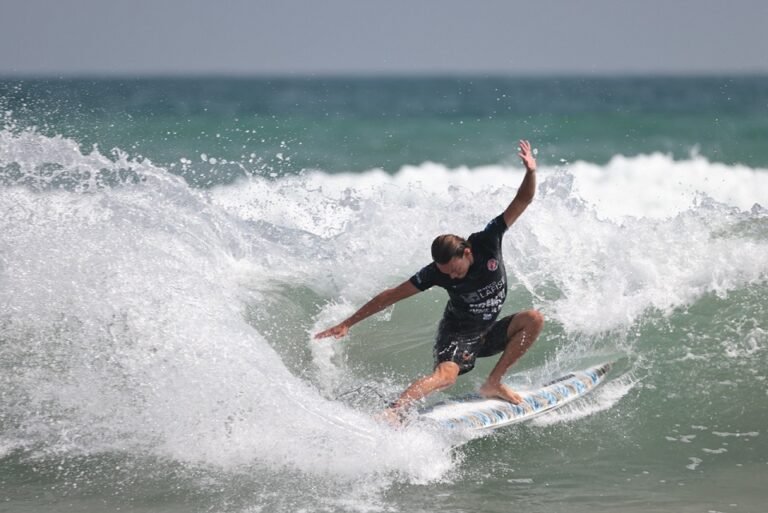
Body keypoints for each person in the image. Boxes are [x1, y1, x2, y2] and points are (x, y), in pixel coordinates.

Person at [315, 140, 544, 421]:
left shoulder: (488, 240)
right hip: (457, 334)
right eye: (445, 272)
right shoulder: (436, 273)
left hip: (486, 331)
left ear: (467, 252)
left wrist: (531, 172)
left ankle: (493, 383)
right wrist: (347, 323)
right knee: (446, 377)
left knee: (533, 319)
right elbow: (391, 295)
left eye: (454, 270)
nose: (450, 276)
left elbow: (522, 200)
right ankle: (394, 412)